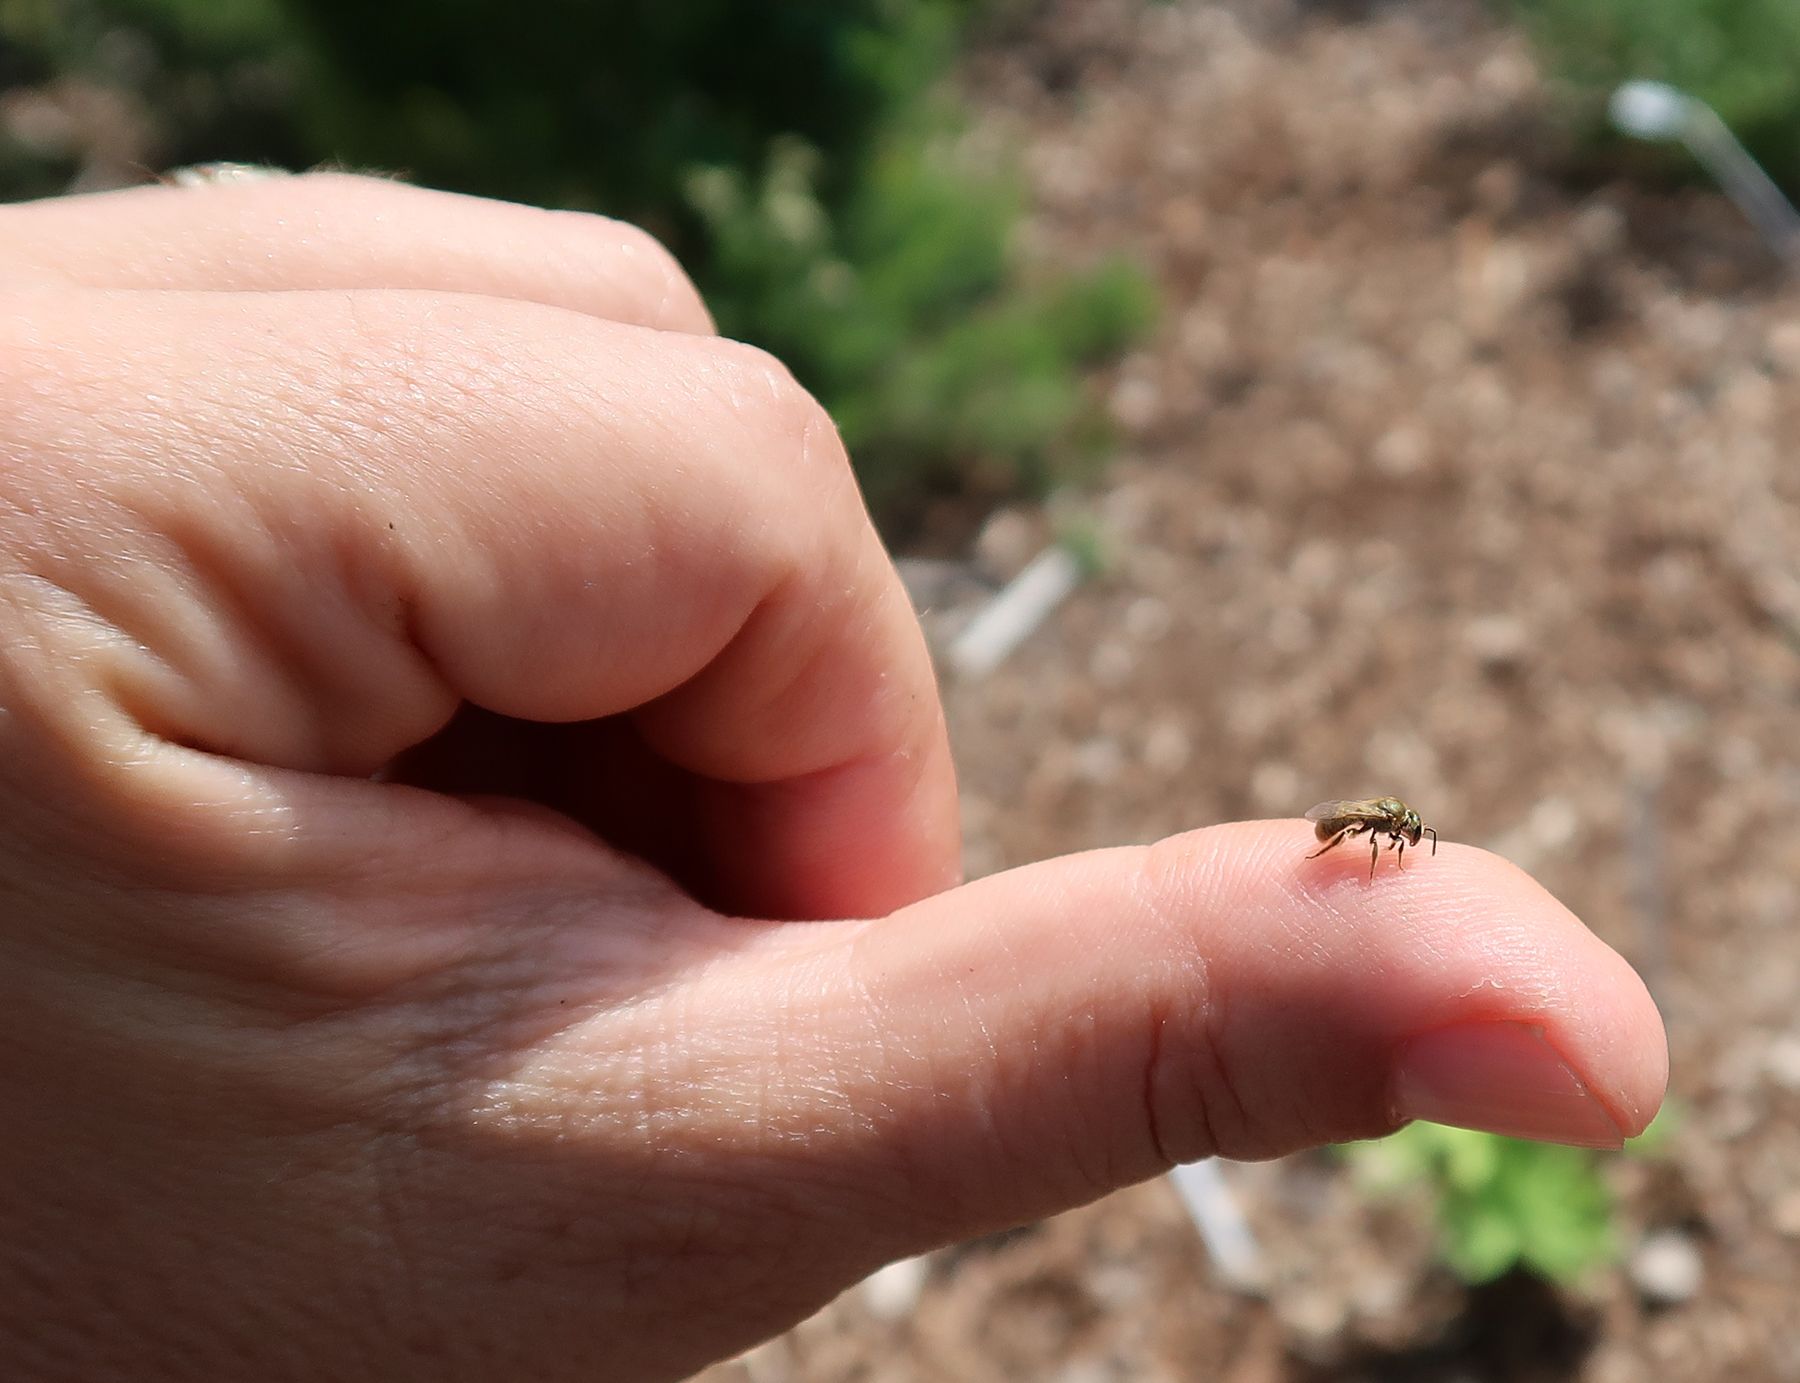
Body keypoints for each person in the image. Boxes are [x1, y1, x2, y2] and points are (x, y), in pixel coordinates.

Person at [0, 172, 1665, 1382]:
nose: (1378, 845)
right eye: (1381, 839)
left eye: (1383, 842)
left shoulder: (1372, 833)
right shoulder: (1360, 846)